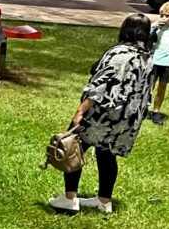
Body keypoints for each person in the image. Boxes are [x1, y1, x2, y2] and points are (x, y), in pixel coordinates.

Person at [49, 14, 154, 214]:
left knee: (74, 148)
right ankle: (104, 201)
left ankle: (70, 198)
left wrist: (80, 111)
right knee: (107, 154)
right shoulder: (147, 57)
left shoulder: (118, 53)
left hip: (102, 114)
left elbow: (99, 85)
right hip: (126, 117)